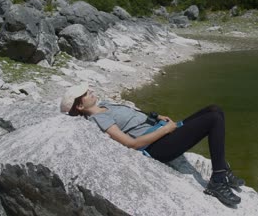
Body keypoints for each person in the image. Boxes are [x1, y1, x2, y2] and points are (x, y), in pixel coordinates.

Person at [60, 82, 245, 206]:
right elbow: (131, 143)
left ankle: (221, 168)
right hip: (158, 146)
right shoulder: (99, 118)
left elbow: (133, 116)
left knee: (215, 109)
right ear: (80, 106)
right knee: (213, 118)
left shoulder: (106, 104)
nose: (90, 90)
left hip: (160, 131)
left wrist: (155, 118)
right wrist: (164, 130)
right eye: (85, 93)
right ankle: (218, 180)